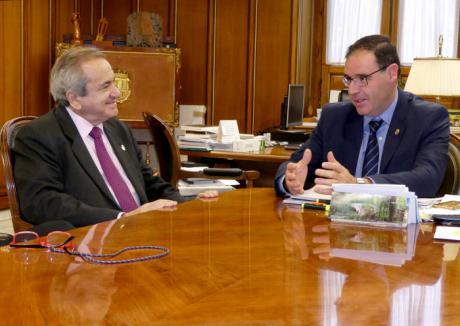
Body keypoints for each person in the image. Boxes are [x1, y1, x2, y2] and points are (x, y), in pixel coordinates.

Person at [13, 46, 216, 233]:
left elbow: (149, 182)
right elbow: (41, 203)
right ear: (74, 99)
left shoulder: (117, 129)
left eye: (114, 82)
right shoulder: (39, 136)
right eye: (106, 86)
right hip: (91, 247)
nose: (117, 93)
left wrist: (186, 206)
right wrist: (121, 218)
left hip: (145, 233)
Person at [275, 34, 450, 198]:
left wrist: (359, 184)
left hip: (400, 227)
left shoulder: (427, 118)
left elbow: (427, 179)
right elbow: (296, 164)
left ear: (391, 73)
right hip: (337, 227)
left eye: (362, 78)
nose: (352, 90)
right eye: (349, 79)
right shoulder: (334, 117)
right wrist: (290, 180)